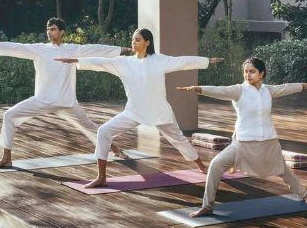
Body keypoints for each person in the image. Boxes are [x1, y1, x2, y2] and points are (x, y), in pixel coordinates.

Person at [55, 28, 224, 189]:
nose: (134, 42)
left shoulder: (159, 60)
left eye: (138, 39)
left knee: (178, 139)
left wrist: (207, 61)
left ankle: (201, 165)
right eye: (133, 40)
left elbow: (183, 62)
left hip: (159, 111)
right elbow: (102, 63)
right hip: (134, 111)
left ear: (147, 42)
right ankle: (101, 177)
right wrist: (78, 61)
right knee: (104, 131)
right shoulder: (124, 62)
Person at [0, 18, 130, 169]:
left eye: (53, 29)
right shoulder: (40, 49)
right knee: (10, 115)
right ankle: (6, 157)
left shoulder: (72, 49)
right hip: (42, 100)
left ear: (62, 32)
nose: (49, 32)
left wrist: (121, 50)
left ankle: (115, 148)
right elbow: (16, 47)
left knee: (90, 127)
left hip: (67, 102)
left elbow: (95, 49)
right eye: (48, 29)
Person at [177, 58, 307, 217]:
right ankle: (207, 206)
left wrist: (305, 86)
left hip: (268, 142)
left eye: (252, 71)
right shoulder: (239, 90)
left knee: (284, 171)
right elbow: (220, 90)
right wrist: (199, 89)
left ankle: (303, 194)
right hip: (243, 144)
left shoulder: (268, 90)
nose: (248, 75)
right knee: (216, 165)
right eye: (245, 71)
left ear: (262, 73)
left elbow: (286, 87)